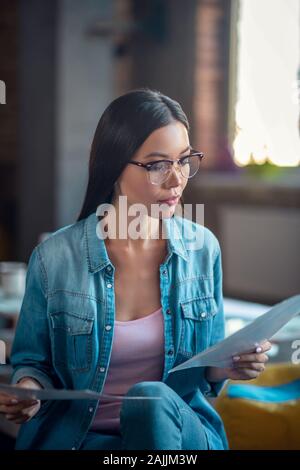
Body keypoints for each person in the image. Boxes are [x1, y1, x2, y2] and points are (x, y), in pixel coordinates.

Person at [0, 89, 271, 450]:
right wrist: (27, 394)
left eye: (184, 160)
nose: (177, 180)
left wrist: (234, 365)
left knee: (152, 400)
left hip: (178, 436)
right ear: (114, 167)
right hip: (81, 439)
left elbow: (206, 368)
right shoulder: (55, 258)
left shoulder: (203, 249)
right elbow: (32, 363)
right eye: (158, 165)